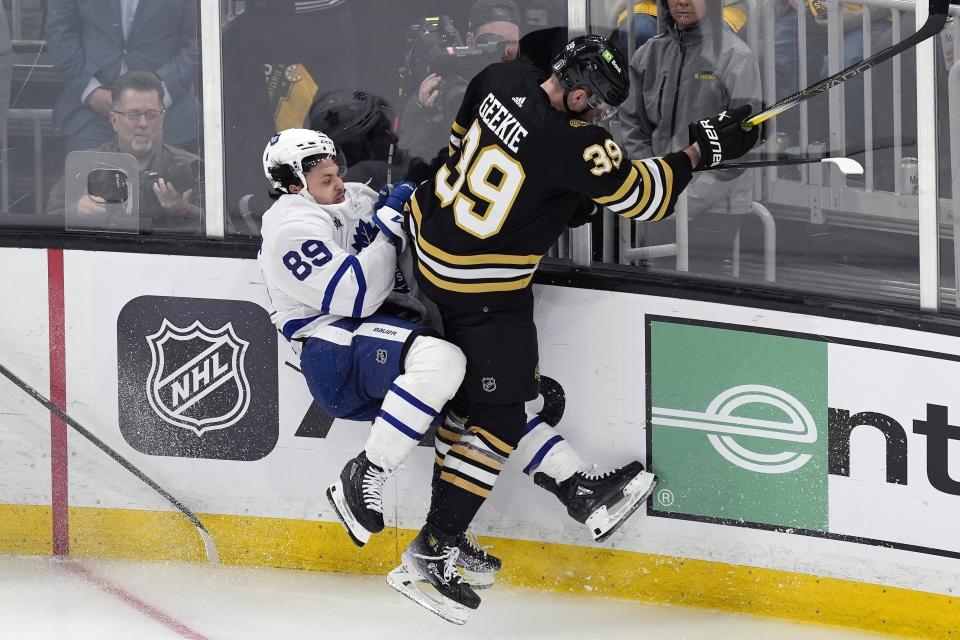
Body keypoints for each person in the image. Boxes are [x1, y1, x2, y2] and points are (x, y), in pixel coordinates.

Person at [391, 34, 759, 622]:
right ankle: (432, 550)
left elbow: (462, 150)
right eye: (600, 104)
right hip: (481, 294)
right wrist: (704, 151)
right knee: (502, 414)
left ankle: (480, 524)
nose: (602, 115)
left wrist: (554, 197)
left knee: (478, 407)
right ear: (580, 92)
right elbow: (648, 196)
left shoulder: (498, 79)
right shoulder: (577, 142)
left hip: (428, 251)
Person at [257, 128, 658, 593]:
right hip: (333, 352)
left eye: (336, 171)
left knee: (493, 401)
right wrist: (389, 226)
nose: (338, 182)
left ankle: (573, 492)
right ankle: (365, 472)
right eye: (323, 178)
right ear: (292, 184)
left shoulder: (353, 198)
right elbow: (358, 294)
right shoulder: (290, 226)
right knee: (444, 361)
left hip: (377, 343)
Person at [619, 0, 762, 275]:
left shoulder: (736, 56)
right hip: (661, 198)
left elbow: (744, 144)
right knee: (656, 283)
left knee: (689, 286)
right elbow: (631, 124)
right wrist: (655, 182)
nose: (682, 1)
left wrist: (687, 200)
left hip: (715, 206)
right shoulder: (649, 53)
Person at [44, 70, 202, 233]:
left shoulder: (191, 167)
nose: (143, 123)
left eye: (152, 114)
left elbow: (224, 232)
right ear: (114, 120)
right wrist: (77, 214)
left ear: (162, 118)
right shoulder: (84, 166)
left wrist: (184, 210)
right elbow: (48, 224)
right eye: (133, 114)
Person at [45, 0, 200, 154]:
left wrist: (160, 96)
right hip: (93, 113)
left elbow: (200, 38)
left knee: (168, 173)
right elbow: (60, 32)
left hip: (168, 114)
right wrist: (91, 92)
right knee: (89, 173)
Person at [398, 0, 522, 164]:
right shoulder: (441, 91)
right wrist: (427, 115)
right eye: (491, 40)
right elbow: (410, 166)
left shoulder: (532, 87)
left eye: (511, 43)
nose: (503, 51)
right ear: (470, 39)